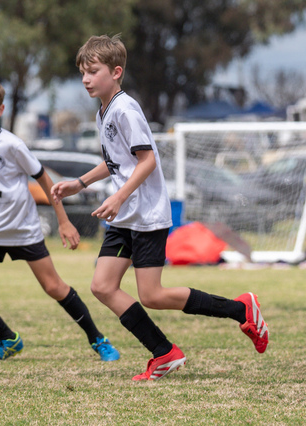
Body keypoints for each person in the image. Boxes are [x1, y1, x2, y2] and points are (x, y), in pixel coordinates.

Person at [51, 35, 269, 381]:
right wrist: (80, 183)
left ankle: (240, 309)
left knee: (152, 295)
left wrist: (119, 197)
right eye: (83, 73)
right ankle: (164, 352)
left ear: (116, 72)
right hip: (126, 217)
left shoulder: (125, 109)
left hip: (147, 215)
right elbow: (116, 161)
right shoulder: (103, 112)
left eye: (93, 72)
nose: (86, 79)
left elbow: (148, 160)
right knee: (103, 286)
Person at [0, 77, 120, 363]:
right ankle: (8, 338)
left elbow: (44, 179)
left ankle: (98, 339)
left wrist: (63, 221)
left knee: (54, 287)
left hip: (22, 229)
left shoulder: (12, 144)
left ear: (1, 110)